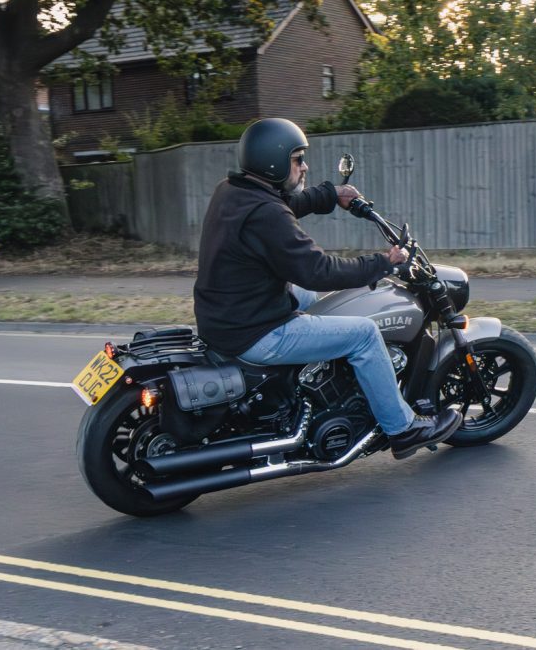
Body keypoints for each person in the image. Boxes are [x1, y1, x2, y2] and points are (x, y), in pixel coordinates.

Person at [194, 118, 462, 459]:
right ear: (273, 162)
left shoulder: (233, 191)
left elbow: (284, 206)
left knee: (308, 301)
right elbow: (318, 270)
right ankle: (403, 429)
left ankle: (312, 385)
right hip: (254, 331)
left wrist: (330, 194)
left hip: (226, 316)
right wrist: (384, 261)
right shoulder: (266, 213)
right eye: (297, 159)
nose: (304, 166)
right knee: (363, 333)